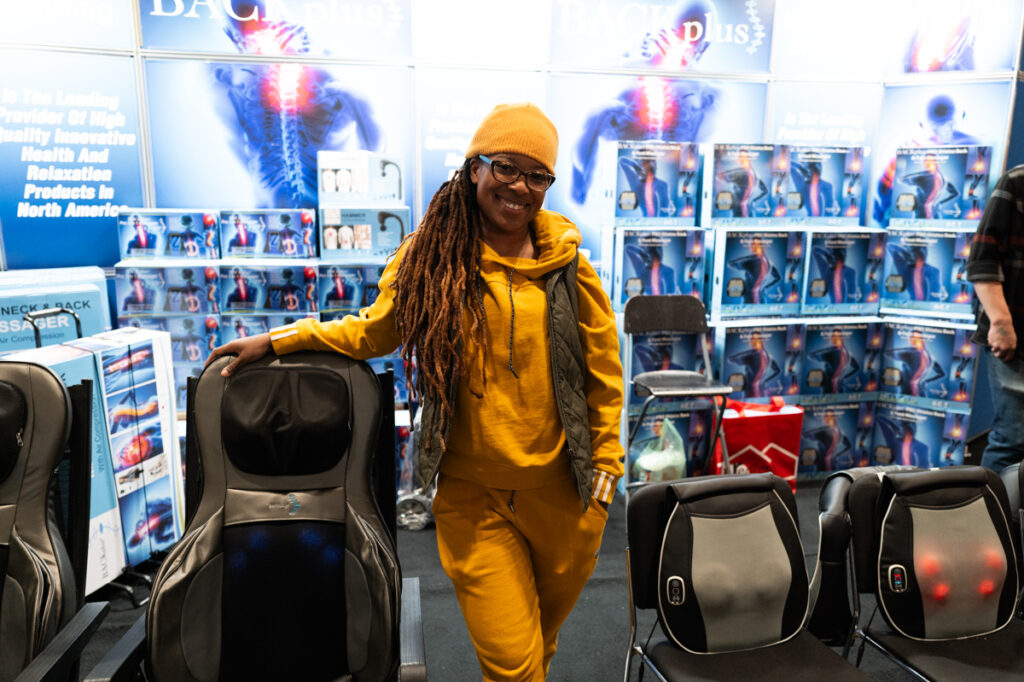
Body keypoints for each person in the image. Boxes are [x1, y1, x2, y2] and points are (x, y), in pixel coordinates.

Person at [206, 102, 624, 681]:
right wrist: (281, 341)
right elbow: (372, 330)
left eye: (537, 175)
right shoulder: (430, 260)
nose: (520, 186)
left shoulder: (569, 269)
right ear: (474, 167)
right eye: (506, 165)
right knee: (514, 667)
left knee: (538, 646)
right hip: (475, 503)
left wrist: (605, 475)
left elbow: (604, 375)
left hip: (568, 501)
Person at [967, 164, 1024, 472]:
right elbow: (982, 261)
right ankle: (996, 518)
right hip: (1016, 339)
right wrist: (1001, 324)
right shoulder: (1018, 182)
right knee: (1013, 439)